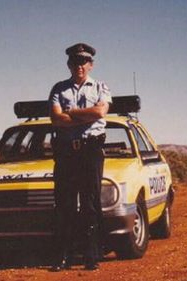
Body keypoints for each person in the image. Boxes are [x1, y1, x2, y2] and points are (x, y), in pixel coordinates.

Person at [48, 43, 112, 271]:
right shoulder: (58, 89)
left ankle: (90, 255)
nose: (79, 66)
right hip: (65, 152)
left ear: (91, 65)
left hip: (90, 151)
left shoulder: (101, 87)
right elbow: (56, 119)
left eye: (84, 61)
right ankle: (63, 257)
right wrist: (86, 115)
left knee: (89, 203)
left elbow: (100, 112)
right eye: (75, 61)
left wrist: (70, 114)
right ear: (69, 64)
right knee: (64, 203)